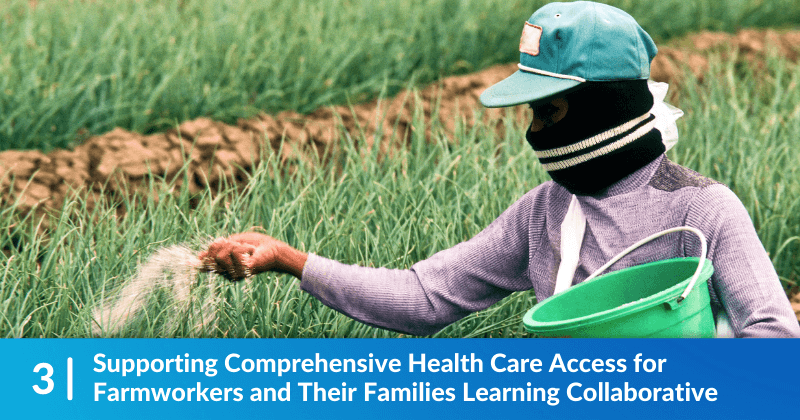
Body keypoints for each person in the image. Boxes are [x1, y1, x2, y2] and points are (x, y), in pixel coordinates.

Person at [199, 1, 800, 337]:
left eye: (551, 110)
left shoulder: (697, 207)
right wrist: (290, 260)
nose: (535, 131)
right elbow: (424, 297)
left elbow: (773, 336)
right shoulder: (545, 213)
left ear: (606, 104)